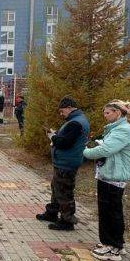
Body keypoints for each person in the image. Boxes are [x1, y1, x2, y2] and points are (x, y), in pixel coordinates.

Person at [83, 100, 130, 261]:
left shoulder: (122, 130)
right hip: (110, 173)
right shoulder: (117, 129)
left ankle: (111, 246)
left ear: (118, 113)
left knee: (110, 211)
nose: (104, 115)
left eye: (107, 112)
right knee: (110, 209)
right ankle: (116, 243)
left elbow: (107, 149)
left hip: (114, 175)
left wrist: (85, 151)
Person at [36, 96, 90, 231]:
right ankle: (52, 213)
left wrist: (53, 137)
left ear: (69, 108)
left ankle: (67, 221)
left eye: (62, 111)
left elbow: (65, 143)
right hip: (63, 162)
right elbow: (66, 138)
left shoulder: (76, 123)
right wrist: (57, 135)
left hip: (67, 162)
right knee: (56, 188)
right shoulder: (76, 120)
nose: (61, 114)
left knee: (64, 192)